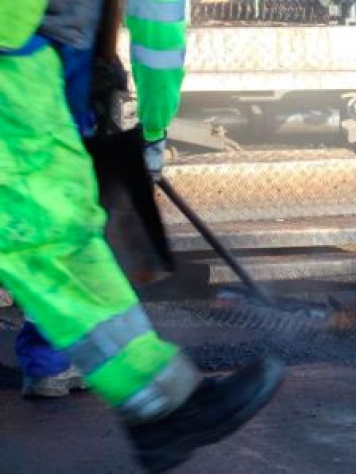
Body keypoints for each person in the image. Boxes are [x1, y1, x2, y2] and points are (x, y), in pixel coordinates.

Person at [0, 1, 285, 471]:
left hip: (36, 53)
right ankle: (154, 400)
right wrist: (153, 132)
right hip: (20, 57)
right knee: (46, 226)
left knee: (53, 222)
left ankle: (105, 381)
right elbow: (158, 31)